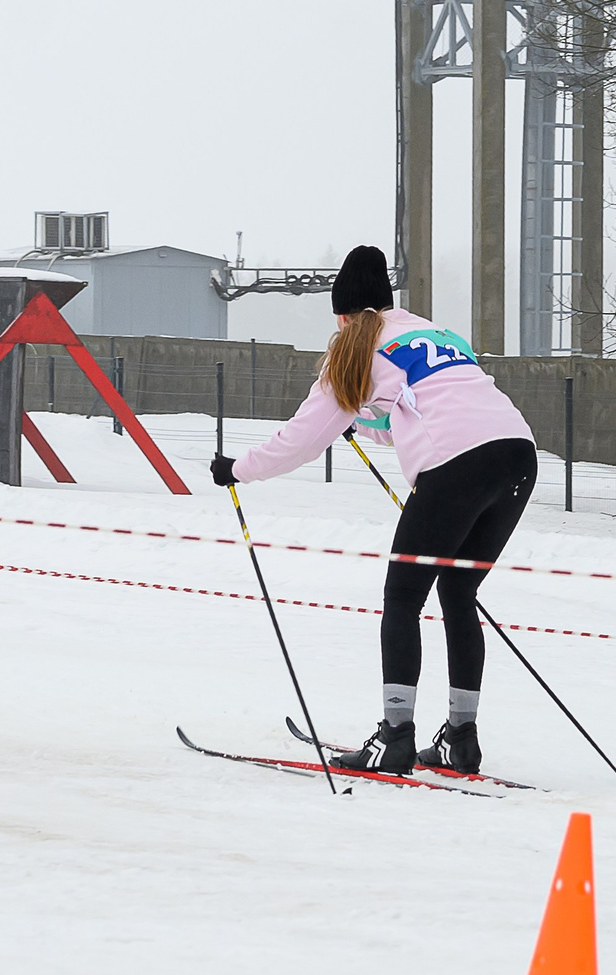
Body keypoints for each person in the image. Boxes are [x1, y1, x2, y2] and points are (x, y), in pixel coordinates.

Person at [209, 245, 537, 776]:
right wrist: (357, 423)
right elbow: (416, 414)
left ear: (341, 314)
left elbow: (299, 441)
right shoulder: (433, 333)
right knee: (458, 592)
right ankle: (460, 738)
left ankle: (396, 739)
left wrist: (238, 470)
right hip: (517, 455)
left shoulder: (354, 350)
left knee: (404, 597)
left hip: (456, 466)